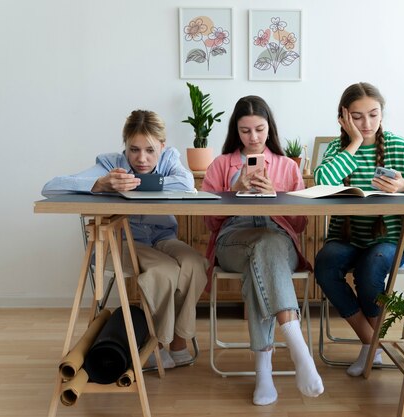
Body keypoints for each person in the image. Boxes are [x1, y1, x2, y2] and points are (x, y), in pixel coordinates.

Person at [42, 109, 207, 369]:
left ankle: (178, 339)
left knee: (194, 263)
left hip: (162, 238)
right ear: (125, 147)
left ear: (162, 147)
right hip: (124, 242)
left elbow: (187, 184)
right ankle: (157, 344)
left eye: (150, 150)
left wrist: (139, 182)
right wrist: (102, 184)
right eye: (134, 149)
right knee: (164, 271)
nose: (141, 158)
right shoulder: (109, 164)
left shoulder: (170, 159)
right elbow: (51, 187)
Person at [314, 82, 404, 376]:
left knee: (372, 266)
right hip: (347, 238)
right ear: (343, 117)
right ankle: (372, 342)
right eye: (357, 116)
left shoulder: (396, 146)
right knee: (325, 263)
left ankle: (370, 348)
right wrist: (353, 143)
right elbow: (322, 180)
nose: (366, 124)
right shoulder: (337, 148)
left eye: (373, 114)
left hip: (388, 241)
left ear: (382, 114)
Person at [201, 96, 324, 405]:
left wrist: (277, 197)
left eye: (259, 129)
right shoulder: (220, 164)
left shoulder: (286, 166)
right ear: (235, 130)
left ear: (270, 128)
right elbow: (209, 221)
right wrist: (232, 193)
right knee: (260, 250)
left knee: (265, 251)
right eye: (245, 131)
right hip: (233, 239)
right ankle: (297, 346)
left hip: (278, 238)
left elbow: (298, 225)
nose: (253, 138)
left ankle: (263, 371)